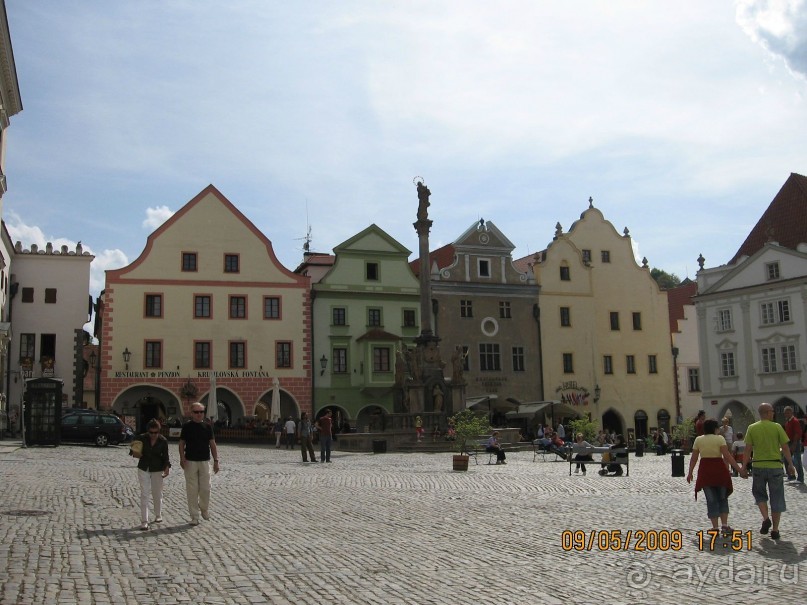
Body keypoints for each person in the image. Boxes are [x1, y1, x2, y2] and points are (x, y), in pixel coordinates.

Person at [741, 402, 796, 540]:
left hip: (758, 466)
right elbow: (785, 447)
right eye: (771, 411)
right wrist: (790, 463)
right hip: (775, 467)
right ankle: (775, 530)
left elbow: (748, 449)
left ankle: (766, 518)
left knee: (759, 494)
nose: (773, 413)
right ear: (766, 412)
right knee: (776, 498)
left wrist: (743, 466)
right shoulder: (777, 427)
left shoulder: (752, 428)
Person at [686, 418, 745, 535]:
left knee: (711, 499)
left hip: (705, 471)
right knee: (722, 498)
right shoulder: (720, 439)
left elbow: (694, 458)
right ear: (715, 429)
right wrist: (740, 470)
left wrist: (690, 472)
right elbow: (727, 456)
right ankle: (724, 525)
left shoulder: (698, 440)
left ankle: (714, 527)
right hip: (719, 470)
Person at [179, 402, 220, 526]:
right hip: (190, 461)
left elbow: (212, 444)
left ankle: (204, 508)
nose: (199, 414)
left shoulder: (207, 427)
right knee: (192, 489)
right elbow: (181, 443)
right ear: (192, 413)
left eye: (201, 412)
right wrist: (182, 458)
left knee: (206, 488)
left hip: (204, 461)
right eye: (196, 412)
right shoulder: (186, 427)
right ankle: (194, 515)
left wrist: (216, 460)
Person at [131, 418, 171, 530]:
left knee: (157, 492)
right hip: (144, 467)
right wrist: (135, 453)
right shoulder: (141, 438)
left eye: (156, 432)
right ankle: (144, 520)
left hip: (157, 468)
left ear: (159, 431)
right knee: (144, 493)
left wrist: (167, 467)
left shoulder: (163, 441)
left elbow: (166, 456)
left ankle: (158, 514)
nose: (153, 435)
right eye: (151, 432)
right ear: (148, 431)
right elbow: (133, 451)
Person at [782, 406, 803, 483]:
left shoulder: (795, 421)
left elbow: (797, 433)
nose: (787, 414)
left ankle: (800, 478)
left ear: (792, 413)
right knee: (786, 459)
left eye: (788, 412)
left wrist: (794, 444)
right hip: (789, 442)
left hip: (795, 442)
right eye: (786, 413)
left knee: (797, 460)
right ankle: (791, 476)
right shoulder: (787, 422)